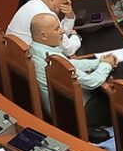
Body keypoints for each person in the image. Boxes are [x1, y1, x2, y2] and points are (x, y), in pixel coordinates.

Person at [27, 11, 111, 139]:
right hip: (77, 112)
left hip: (59, 108)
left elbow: (70, 64)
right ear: (43, 36)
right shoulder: (53, 60)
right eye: (57, 29)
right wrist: (106, 65)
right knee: (113, 98)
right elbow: (91, 82)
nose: (62, 31)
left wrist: (98, 62)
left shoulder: (35, 49)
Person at [6, 0, 74, 46]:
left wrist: (70, 16)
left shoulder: (29, 5)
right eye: (65, 1)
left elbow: (61, 33)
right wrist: (76, 36)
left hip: (13, 50)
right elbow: (67, 47)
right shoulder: (46, 16)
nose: (67, 4)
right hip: (28, 52)